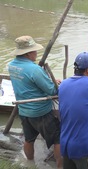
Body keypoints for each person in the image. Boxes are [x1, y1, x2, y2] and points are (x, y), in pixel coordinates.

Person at [8, 36, 62, 168]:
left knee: (29, 139)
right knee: (58, 139)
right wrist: (56, 84)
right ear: (27, 53)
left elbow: (29, 82)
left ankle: (30, 163)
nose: (36, 53)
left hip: (24, 110)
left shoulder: (11, 66)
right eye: (34, 51)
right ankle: (61, 167)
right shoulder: (34, 69)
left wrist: (50, 80)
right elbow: (52, 91)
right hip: (40, 112)